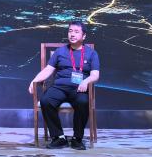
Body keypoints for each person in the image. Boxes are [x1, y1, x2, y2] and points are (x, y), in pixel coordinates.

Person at [29, 21, 100, 150]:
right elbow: (48, 70)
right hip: (60, 87)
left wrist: (85, 81)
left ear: (84, 36)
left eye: (76, 32)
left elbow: (95, 75)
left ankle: (77, 138)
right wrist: (34, 81)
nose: (72, 34)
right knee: (46, 100)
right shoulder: (60, 51)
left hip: (79, 88)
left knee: (83, 102)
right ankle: (58, 137)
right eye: (70, 31)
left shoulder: (91, 53)